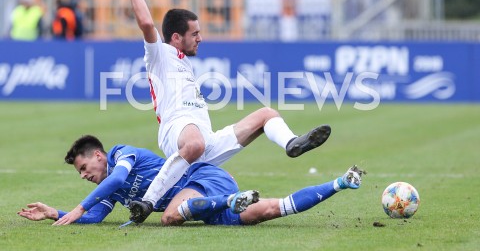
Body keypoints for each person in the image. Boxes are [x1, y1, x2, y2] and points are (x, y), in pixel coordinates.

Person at [109, 0, 332, 224]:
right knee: (195, 144)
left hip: (207, 140)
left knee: (266, 114)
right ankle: (148, 201)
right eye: (195, 33)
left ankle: (291, 143)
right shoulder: (159, 55)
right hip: (177, 131)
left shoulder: (184, 62)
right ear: (177, 37)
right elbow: (146, 23)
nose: (200, 38)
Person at [17, 135, 365, 226]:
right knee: (273, 209)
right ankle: (342, 182)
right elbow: (96, 216)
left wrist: (77, 207)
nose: (84, 176)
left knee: (170, 216)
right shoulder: (113, 190)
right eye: (79, 174)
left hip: (203, 177)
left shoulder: (123, 155)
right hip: (207, 199)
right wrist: (54, 213)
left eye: (83, 168)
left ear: (98, 155)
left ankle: (228, 201)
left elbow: (111, 183)